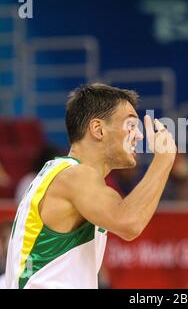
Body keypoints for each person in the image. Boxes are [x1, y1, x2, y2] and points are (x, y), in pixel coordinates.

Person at [5, 83, 176, 289]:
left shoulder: (65, 175)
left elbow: (127, 215)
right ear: (98, 129)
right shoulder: (75, 176)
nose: (139, 136)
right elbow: (130, 223)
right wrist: (163, 160)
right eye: (131, 125)